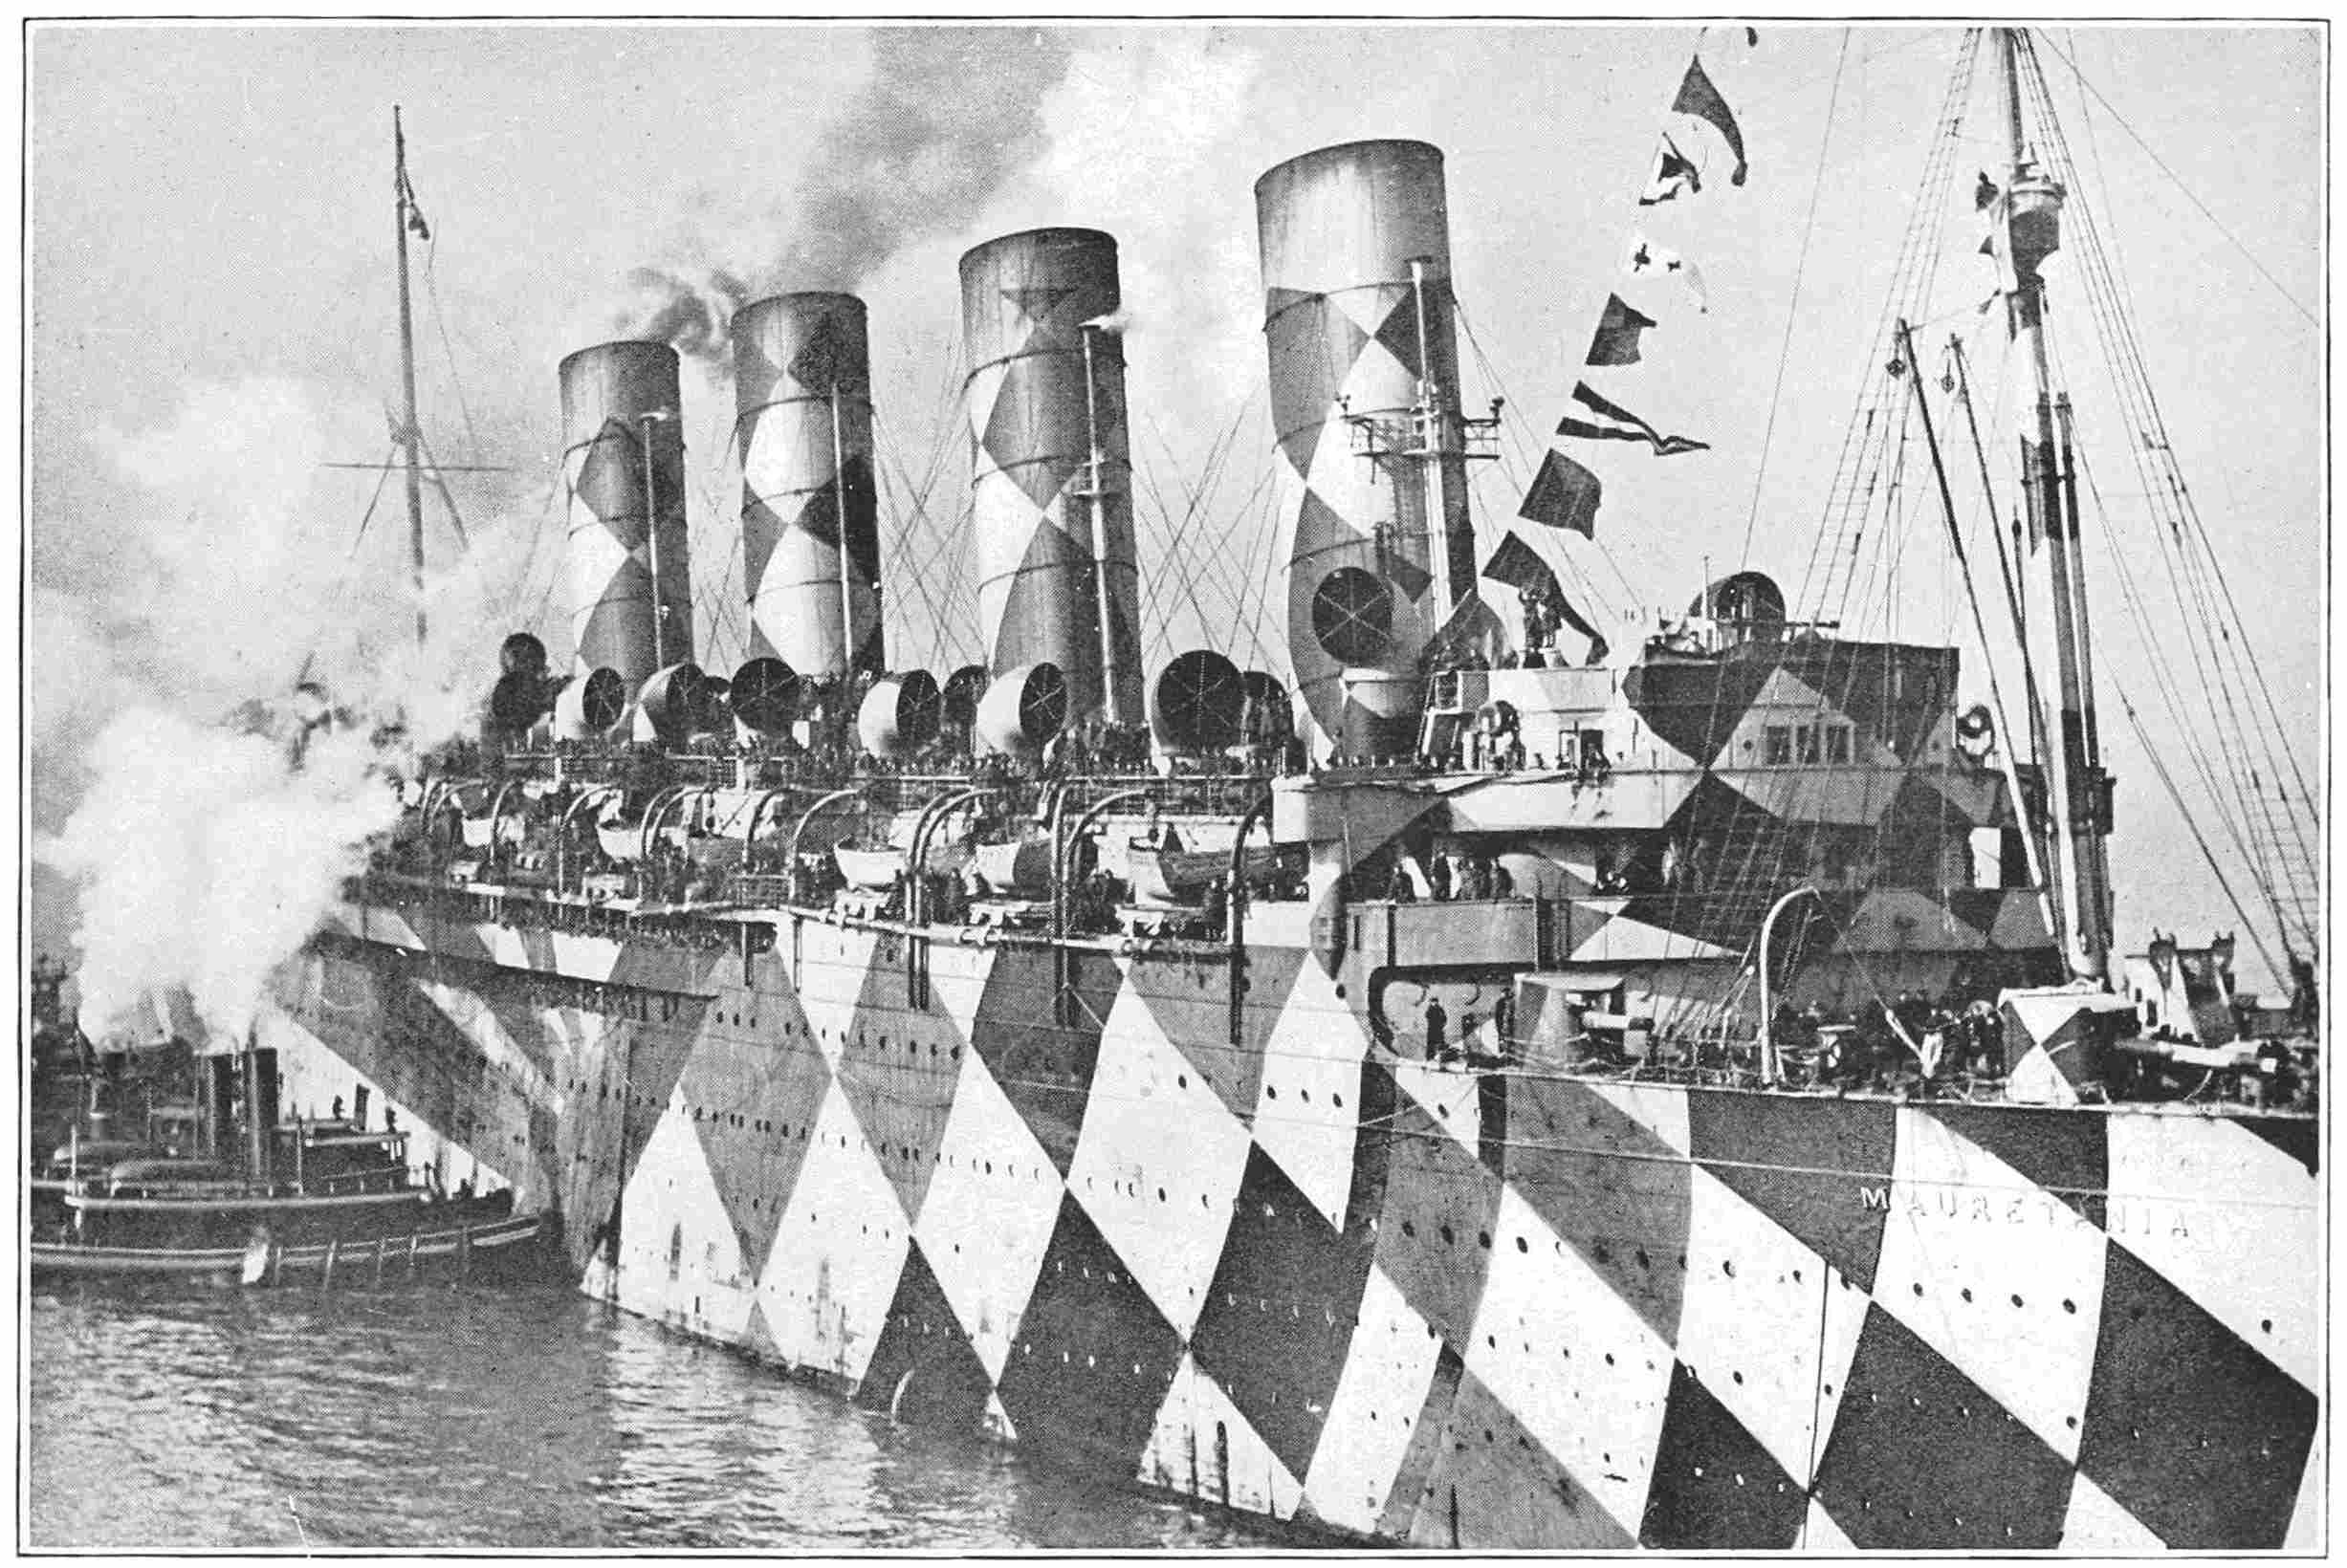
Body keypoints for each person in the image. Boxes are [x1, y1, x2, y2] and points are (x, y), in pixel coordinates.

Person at [1424, 996, 1449, 1065]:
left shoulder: (1439, 1009)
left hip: (1437, 1029)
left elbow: (1444, 1018)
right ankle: (1430, 1058)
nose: (1432, 1003)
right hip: (1432, 1029)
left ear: (1436, 1002)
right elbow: (1427, 1016)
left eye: (1433, 1002)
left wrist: (1442, 1025)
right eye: (1432, 1002)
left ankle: (1441, 1058)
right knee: (1431, 1044)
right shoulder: (1431, 1009)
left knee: (1440, 1044)